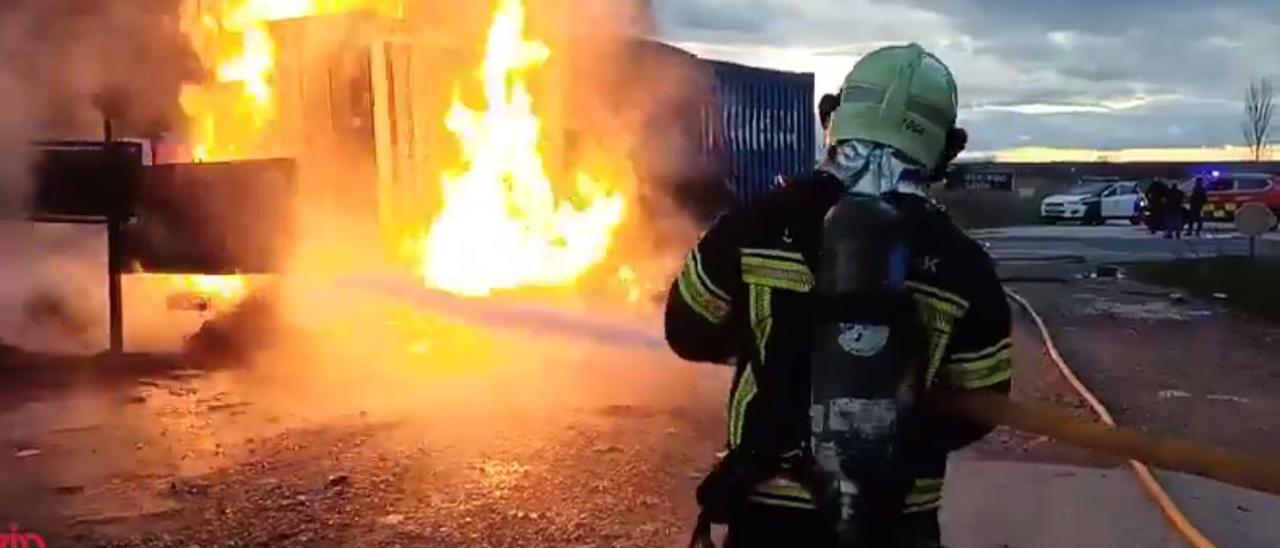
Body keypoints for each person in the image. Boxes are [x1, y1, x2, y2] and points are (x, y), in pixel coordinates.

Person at [668, 43, 1012, 548]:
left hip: (770, 515)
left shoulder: (755, 225)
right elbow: (982, 404)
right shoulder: (965, 266)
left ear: (830, 117)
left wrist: (768, 341)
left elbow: (687, 331)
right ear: (949, 147)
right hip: (896, 521)